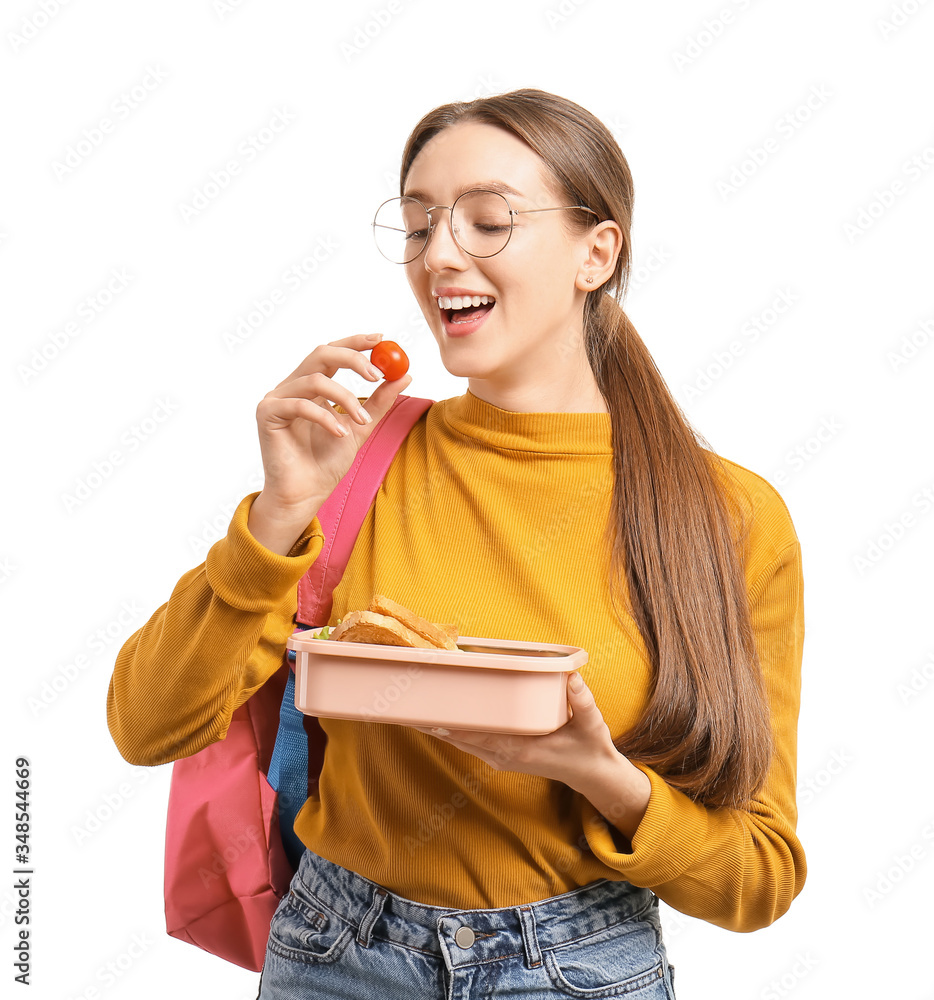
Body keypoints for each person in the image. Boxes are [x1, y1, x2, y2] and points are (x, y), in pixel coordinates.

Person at [107, 88, 806, 999]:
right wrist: (279, 514)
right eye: (418, 226)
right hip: (334, 953)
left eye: (486, 222)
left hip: (581, 968)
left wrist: (598, 776)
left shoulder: (730, 518)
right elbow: (146, 724)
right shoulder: (358, 461)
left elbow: (758, 876)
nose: (438, 255)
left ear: (598, 252)